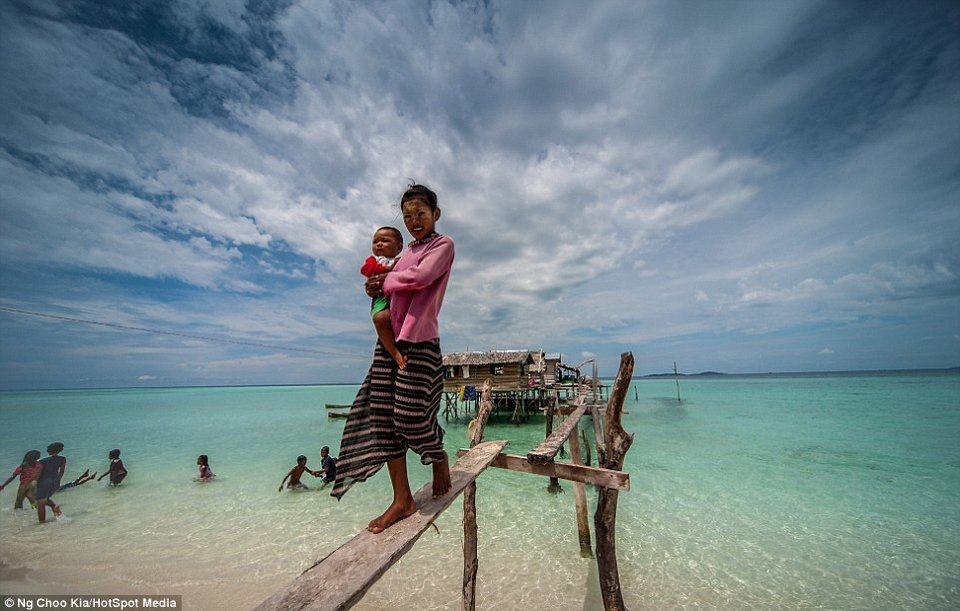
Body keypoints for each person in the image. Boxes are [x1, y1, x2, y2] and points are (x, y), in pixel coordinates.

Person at [333, 183, 454, 534]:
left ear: (435, 214)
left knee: (408, 417)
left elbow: (421, 277)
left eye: (421, 214)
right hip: (388, 344)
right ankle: (402, 499)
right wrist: (374, 285)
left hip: (419, 340)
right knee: (383, 419)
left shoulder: (442, 245)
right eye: (408, 216)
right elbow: (388, 284)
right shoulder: (401, 256)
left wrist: (385, 281)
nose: (415, 221)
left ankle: (438, 455)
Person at [361, 227, 406, 369]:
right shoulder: (373, 261)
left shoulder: (402, 260)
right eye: (375, 242)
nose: (379, 244)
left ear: (398, 247)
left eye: (385, 241)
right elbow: (367, 272)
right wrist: (390, 269)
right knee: (380, 318)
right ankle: (395, 353)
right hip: (381, 298)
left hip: (398, 298)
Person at [35, 442, 66, 522]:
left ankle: (42, 523)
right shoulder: (62, 459)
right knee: (45, 499)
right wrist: (57, 481)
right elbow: (61, 471)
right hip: (54, 482)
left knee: (41, 504)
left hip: (43, 483)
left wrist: (34, 483)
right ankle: (57, 511)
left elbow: (38, 473)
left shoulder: (42, 461)